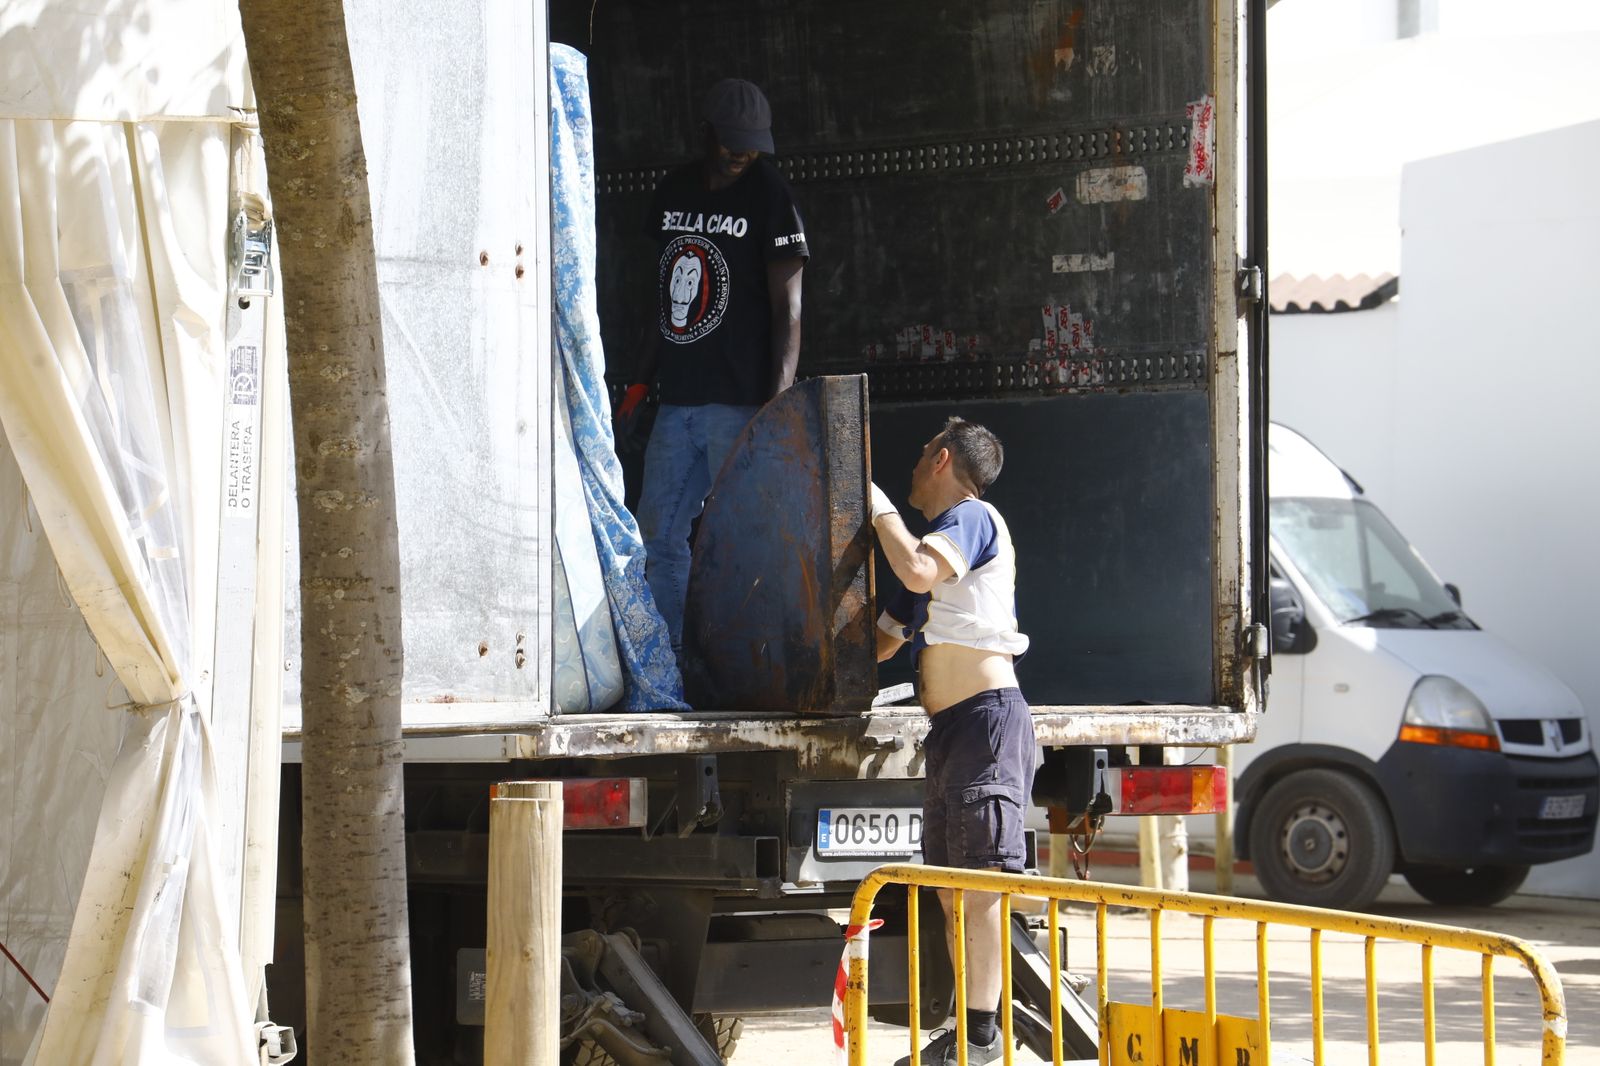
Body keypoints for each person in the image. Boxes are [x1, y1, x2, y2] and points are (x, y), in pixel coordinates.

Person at [617, 78, 809, 658]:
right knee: (657, 535)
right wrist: (639, 384)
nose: (740, 154)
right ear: (707, 134)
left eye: (751, 145)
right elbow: (660, 300)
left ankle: (752, 661)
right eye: (732, 142)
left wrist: (776, 407)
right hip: (678, 402)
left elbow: (790, 310)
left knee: (746, 538)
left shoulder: (771, 196)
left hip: (741, 404)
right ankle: (674, 664)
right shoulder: (673, 189)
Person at [869, 418, 1035, 1066]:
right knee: (948, 888)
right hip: (950, 731)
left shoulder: (972, 517)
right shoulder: (944, 554)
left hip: (987, 722)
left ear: (941, 459)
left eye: (917, 456)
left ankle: (983, 1040)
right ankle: (968, 1034)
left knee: (980, 885)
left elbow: (911, 570)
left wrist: (874, 502)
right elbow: (889, 635)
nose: (912, 469)